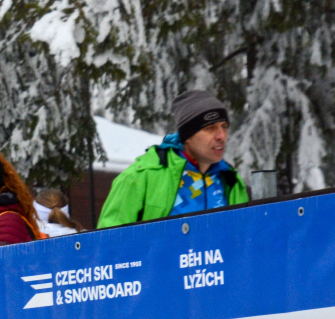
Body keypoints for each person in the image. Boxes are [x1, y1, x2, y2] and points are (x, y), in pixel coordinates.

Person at [97, 90, 248, 228]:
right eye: (210, 128)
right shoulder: (140, 177)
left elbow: (245, 236)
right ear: (188, 136)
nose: (221, 136)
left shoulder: (231, 179)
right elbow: (109, 242)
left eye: (224, 126)